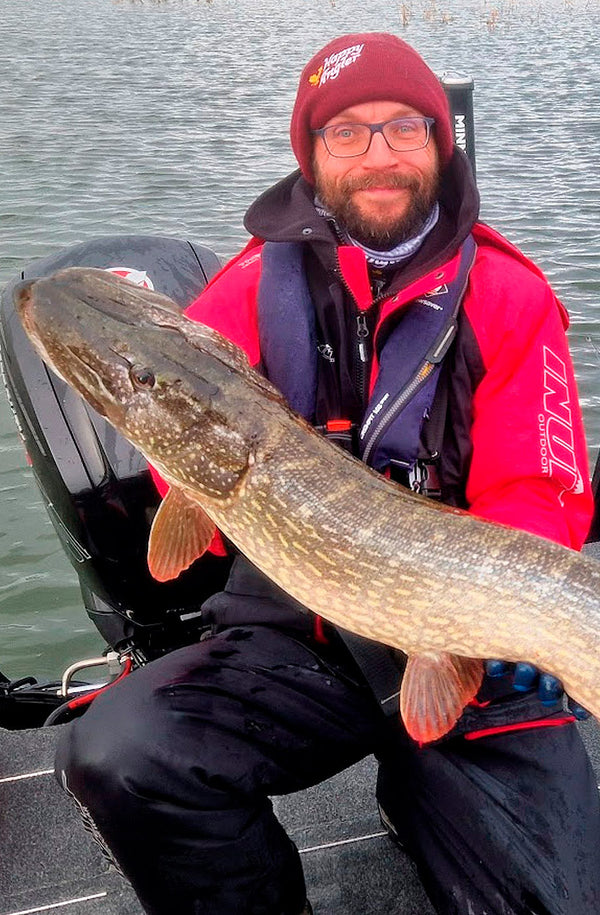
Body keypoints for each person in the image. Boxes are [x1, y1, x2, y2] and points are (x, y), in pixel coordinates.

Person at [55, 32, 600, 915]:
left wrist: (495, 627)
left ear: (440, 141)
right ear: (311, 153)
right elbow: (186, 516)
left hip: (483, 640)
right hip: (298, 642)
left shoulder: (510, 298)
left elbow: (539, 496)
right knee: (121, 753)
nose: (378, 155)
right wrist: (175, 463)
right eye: (346, 132)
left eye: (403, 127)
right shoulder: (246, 288)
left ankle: (423, 790)